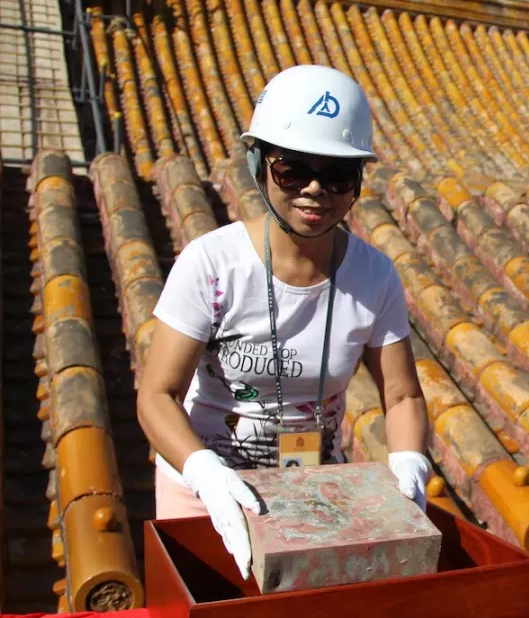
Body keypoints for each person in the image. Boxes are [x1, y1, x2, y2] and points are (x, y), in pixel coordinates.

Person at [136, 64, 431, 581]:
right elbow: (157, 394)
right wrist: (205, 473)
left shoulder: (375, 275)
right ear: (258, 164)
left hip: (313, 491)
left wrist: (409, 463)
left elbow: (402, 396)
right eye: (293, 169)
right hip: (206, 492)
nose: (315, 190)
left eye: (337, 174)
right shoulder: (211, 264)